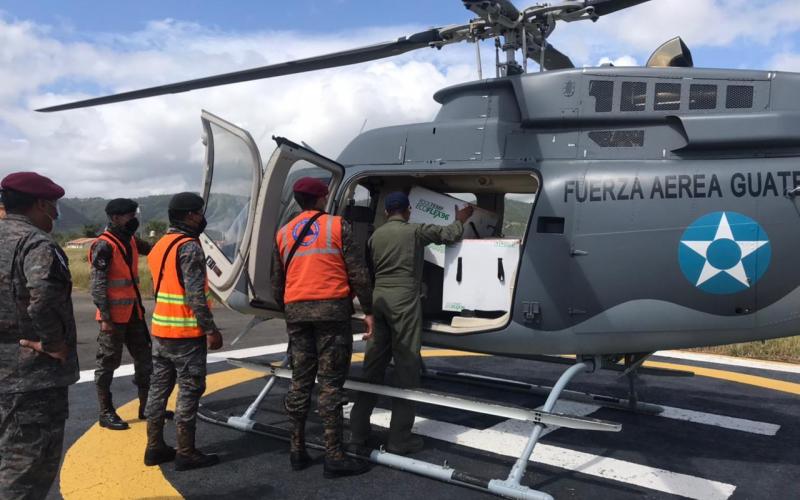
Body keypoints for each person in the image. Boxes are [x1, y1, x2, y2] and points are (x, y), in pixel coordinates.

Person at [349, 191, 473, 454]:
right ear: (407, 211)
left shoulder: (375, 236)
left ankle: (357, 434)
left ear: (385, 212)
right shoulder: (414, 231)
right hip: (404, 301)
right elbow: (450, 234)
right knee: (406, 368)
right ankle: (399, 439)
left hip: (379, 297)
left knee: (372, 368)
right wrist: (460, 218)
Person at [271, 177, 374, 478]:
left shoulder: (283, 233)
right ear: (320, 198)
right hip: (331, 313)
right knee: (330, 384)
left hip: (297, 313)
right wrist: (367, 310)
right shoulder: (337, 226)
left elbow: (277, 281)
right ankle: (334, 455)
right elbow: (359, 273)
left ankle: (297, 450)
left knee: (300, 382)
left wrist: (289, 308)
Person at [0, 172, 79, 500]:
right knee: (27, 469)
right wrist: (53, 342)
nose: (55, 215)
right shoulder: (36, 243)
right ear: (42, 204)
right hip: (31, 376)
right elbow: (43, 296)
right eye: (54, 207)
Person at [143, 192, 222, 471]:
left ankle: (154, 447)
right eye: (199, 212)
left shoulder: (160, 244)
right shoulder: (189, 247)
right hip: (186, 334)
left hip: (161, 330)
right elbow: (195, 296)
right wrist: (210, 329)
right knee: (189, 390)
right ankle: (186, 452)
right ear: (190, 215)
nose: (202, 217)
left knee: (158, 390)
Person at [90, 198, 170, 430]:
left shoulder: (131, 240)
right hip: (113, 318)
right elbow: (97, 285)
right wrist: (105, 318)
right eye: (129, 215)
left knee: (145, 361)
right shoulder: (104, 245)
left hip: (134, 314)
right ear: (115, 218)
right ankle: (105, 412)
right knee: (107, 364)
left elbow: (156, 250)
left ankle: (148, 408)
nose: (133, 219)